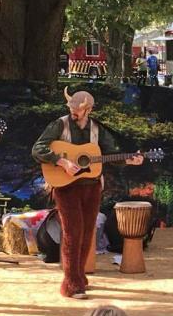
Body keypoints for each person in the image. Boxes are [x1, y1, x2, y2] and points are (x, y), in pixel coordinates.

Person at [32, 87, 143, 299]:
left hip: (91, 186)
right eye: (71, 108)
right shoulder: (59, 124)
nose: (73, 112)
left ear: (89, 109)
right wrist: (62, 161)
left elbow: (110, 155)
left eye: (78, 110)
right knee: (73, 234)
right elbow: (38, 149)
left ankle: (79, 277)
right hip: (66, 187)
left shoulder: (97, 129)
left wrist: (130, 159)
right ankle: (71, 284)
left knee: (86, 234)